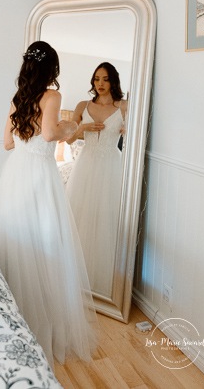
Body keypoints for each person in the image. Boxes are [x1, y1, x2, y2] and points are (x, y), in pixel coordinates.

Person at [0, 41, 97, 366]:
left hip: (15, 176)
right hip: (39, 175)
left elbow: (8, 143)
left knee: (20, 242)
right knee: (48, 243)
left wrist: (36, 133)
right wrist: (71, 127)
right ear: (51, 68)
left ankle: (18, 319)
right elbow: (50, 135)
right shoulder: (53, 96)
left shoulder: (17, 98)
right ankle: (46, 323)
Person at [64, 62, 127, 296]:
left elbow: (137, 136)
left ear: (113, 82)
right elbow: (68, 141)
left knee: (106, 218)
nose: (100, 84)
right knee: (82, 215)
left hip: (111, 164)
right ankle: (78, 276)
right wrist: (82, 129)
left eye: (105, 79)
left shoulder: (124, 107)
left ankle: (105, 280)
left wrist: (128, 130)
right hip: (87, 163)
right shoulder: (82, 105)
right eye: (97, 79)